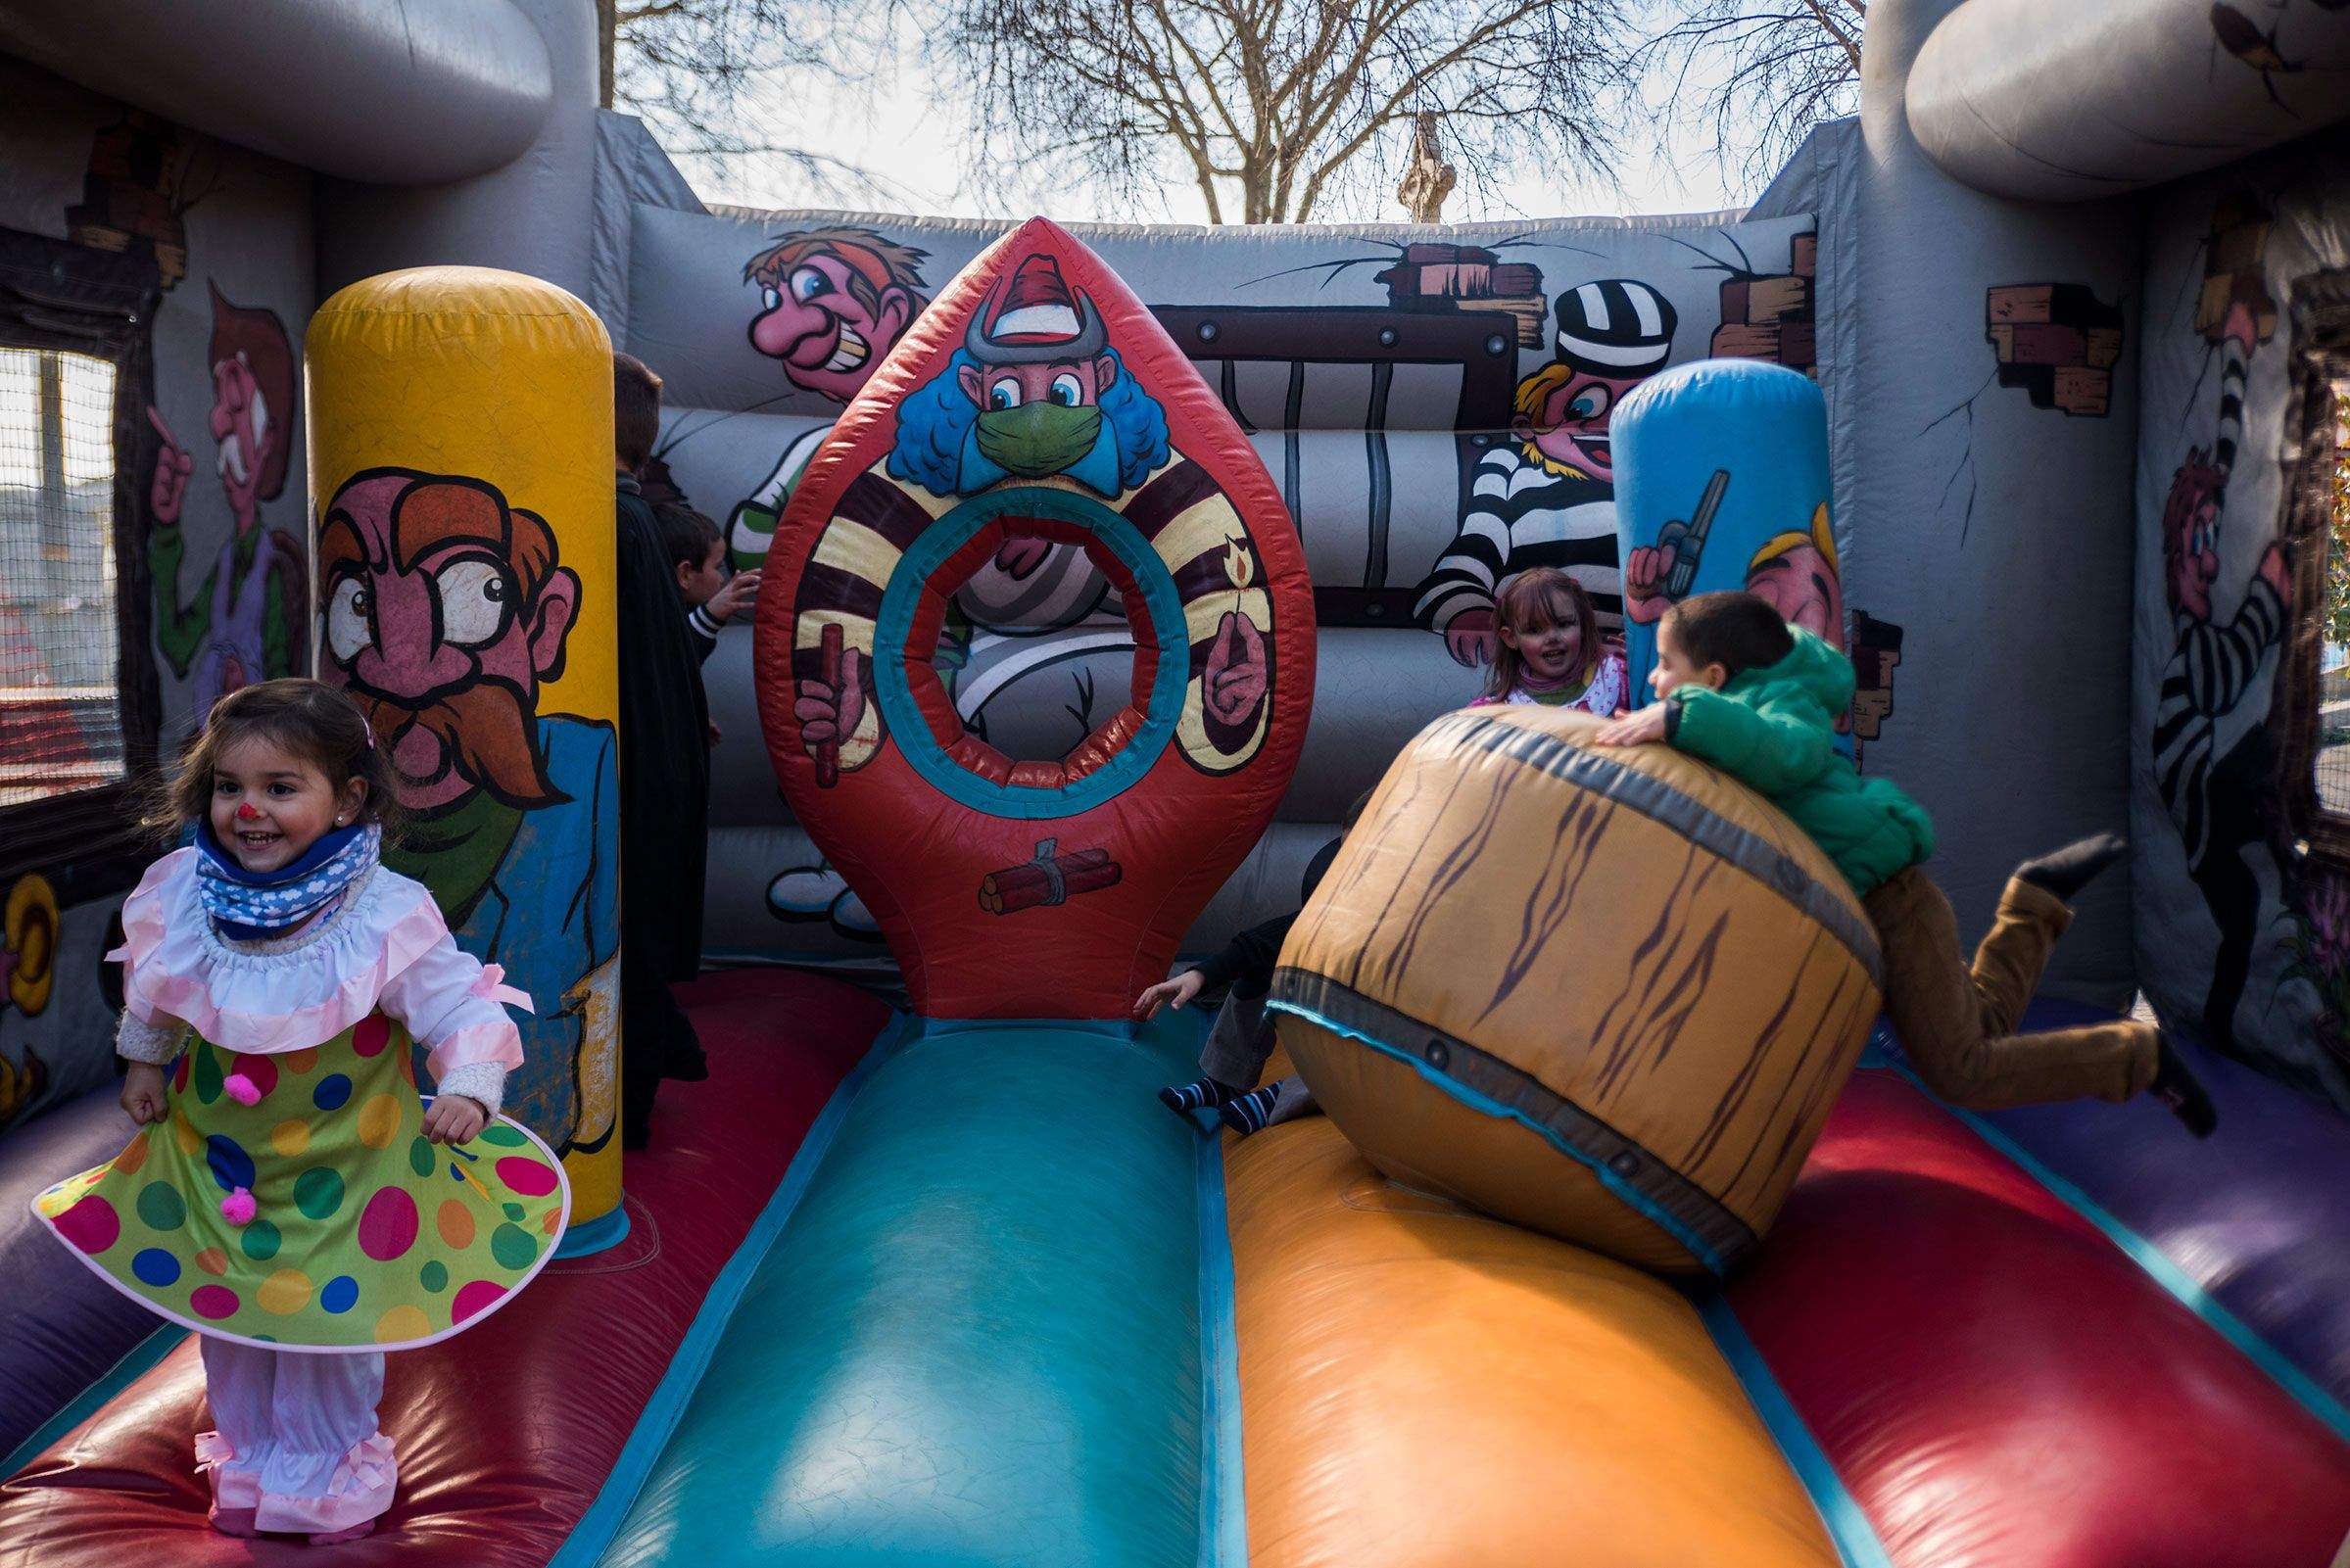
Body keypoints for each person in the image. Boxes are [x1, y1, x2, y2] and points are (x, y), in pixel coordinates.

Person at [30, 681, 566, 1543]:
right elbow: (158, 985)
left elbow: (453, 1000)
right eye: (230, 786)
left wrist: (468, 1083)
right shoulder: (185, 894)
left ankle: (323, 1474)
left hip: (342, 1175)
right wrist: (144, 1059)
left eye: (282, 788)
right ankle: (248, 1457)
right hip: (221, 1169)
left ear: (347, 797)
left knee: (326, 1324)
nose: (250, 810)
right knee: (232, 1317)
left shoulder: (381, 912)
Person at [1593, 592, 2215, 1134]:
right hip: (1856, 914)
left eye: (1667, 667)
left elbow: (1786, 757)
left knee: (1964, 1073)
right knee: (1984, 1026)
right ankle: (2034, 902)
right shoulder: (1731, 715)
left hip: (1890, 904)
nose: (1653, 680)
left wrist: (1679, 716)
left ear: (1716, 676)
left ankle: (2136, 1055)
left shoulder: (1783, 709)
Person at [614, 355, 713, 1146]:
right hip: (654, 780)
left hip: (631, 794)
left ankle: (626, 1117)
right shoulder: (634, 518)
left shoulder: (609, 521)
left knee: (626, 955)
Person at [1143, 794, 1370, 1136]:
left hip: (1405, 1034)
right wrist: (1199, 975)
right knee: (1267, 962)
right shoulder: (1338, 890)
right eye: (1346, 854)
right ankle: (1226, 1078)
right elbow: (1270, 939)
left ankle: (1293, 1095)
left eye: (1364, 859)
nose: (1349, 869)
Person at [1467, 567, 1628, 716]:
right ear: (1511, 638)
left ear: (1583, 626)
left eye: (1564, 624)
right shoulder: (1498, 711)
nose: (1552, 638)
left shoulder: (1618, 677)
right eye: (1534, 630)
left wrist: (1643, 667)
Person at [654, 501, 761, 667]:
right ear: (685, 574)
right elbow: (671, 666)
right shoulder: (653, 623)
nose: (721, 578)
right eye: (717, 567)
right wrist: (710, 616)